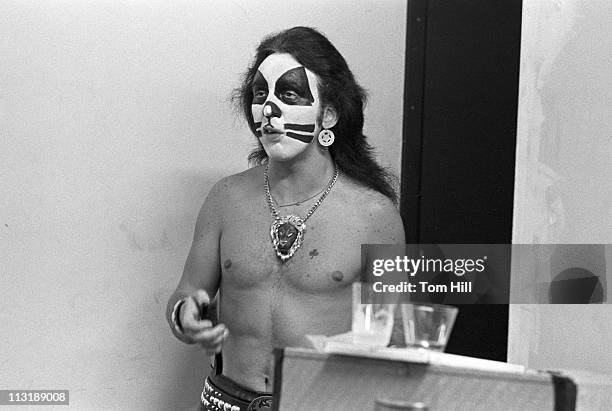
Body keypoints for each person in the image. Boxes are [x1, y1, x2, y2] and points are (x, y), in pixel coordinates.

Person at [166, 26, 404, 411]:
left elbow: (394, 340)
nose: (270, 111)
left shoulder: (376, 216)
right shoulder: (225, 198)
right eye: (261, 95)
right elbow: (186, 293)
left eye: (289, 93)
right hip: (226, 400)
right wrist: (186, 315)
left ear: (328, 114)